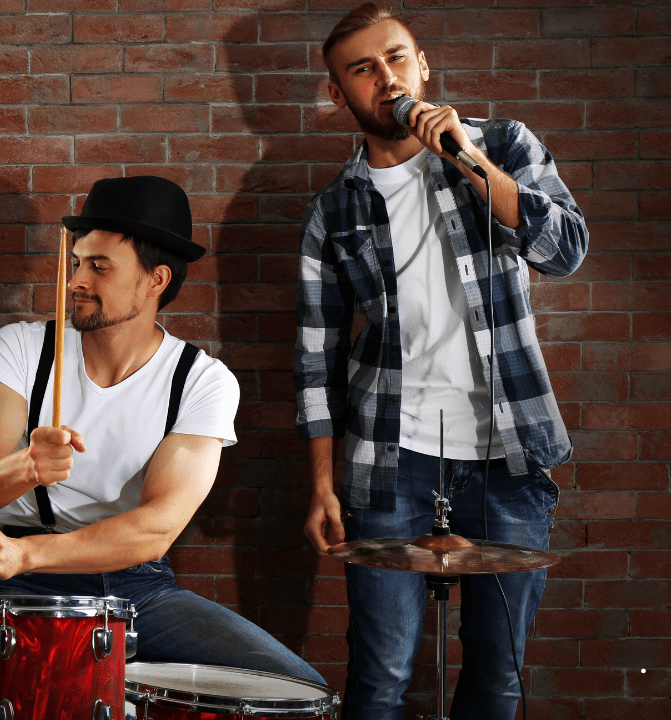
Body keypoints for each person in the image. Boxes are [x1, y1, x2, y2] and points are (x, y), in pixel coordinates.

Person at [294, 4, 588, 719]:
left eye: (396, 58)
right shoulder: (334, 209)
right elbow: (315, 360)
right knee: (381, 678)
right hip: (389, 464)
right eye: (362, 69)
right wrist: (323, 487)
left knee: (499, 678)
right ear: (339, 95)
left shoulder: (504, 144)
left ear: (422, 64)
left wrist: (471, 158)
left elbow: (566, 251)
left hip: (509, 461)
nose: (385, 78)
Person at [0, 175, 323, 683]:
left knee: (297, 688)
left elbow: (156, 528)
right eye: (78, 263)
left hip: (138, 588)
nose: (77, 281)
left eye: (100, 267)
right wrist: (26, 468)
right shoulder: (23, 348)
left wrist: (25, 552)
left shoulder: (201, 381)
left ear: (157, 280)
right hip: (32, 587)